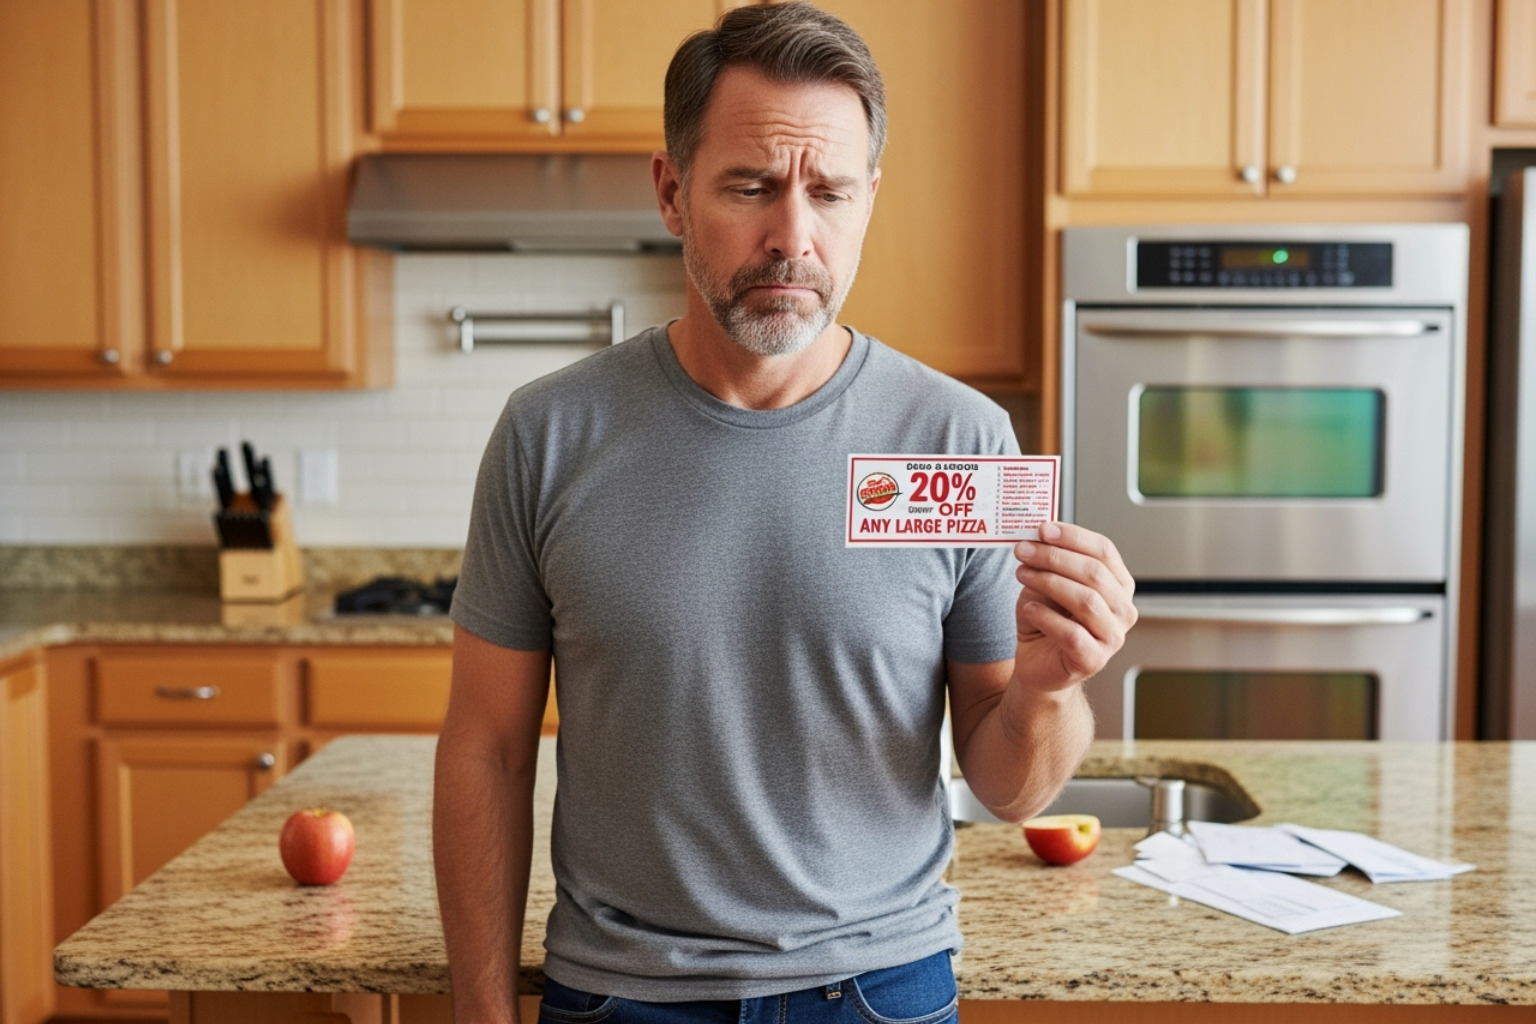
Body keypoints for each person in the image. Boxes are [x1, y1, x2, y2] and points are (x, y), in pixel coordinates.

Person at [434, 4, 1136, 1023]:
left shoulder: (961, 440)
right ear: (673, 192)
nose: (793, 238)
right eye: (752, 187)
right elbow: (486, 750)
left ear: (869, 199)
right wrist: (482, 1016)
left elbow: (1011, 787)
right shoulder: (547, 434)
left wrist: (1046, 687)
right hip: (620, 997)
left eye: (831, 191)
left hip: (880, 993)